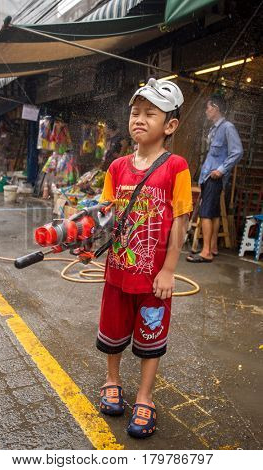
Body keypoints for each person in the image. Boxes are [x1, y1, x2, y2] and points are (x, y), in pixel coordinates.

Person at [97, 78, 193, 438]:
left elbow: (180, 219)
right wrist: (87, 230)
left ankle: (144, 396)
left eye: (150, 114)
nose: (139, 119)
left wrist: (168, 270)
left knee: (151, 337)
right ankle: (112, 380)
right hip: (117, 273)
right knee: (113, 331)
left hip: (155, 279)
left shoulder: (176, 166)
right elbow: (106, 214)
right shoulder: (117, 167)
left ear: (170, 126)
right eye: (135, 112)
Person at [187, 94, 243, 263]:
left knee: (205, 213)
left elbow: (237, 151)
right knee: (214, 213)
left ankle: (206, 253)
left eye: (208, 107)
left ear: (216, 108)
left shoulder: (227, 127)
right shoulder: (215, 129)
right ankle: (213, 247)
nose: (206, 111)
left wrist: (221, 169)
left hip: (214, 177)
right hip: (207, 176)